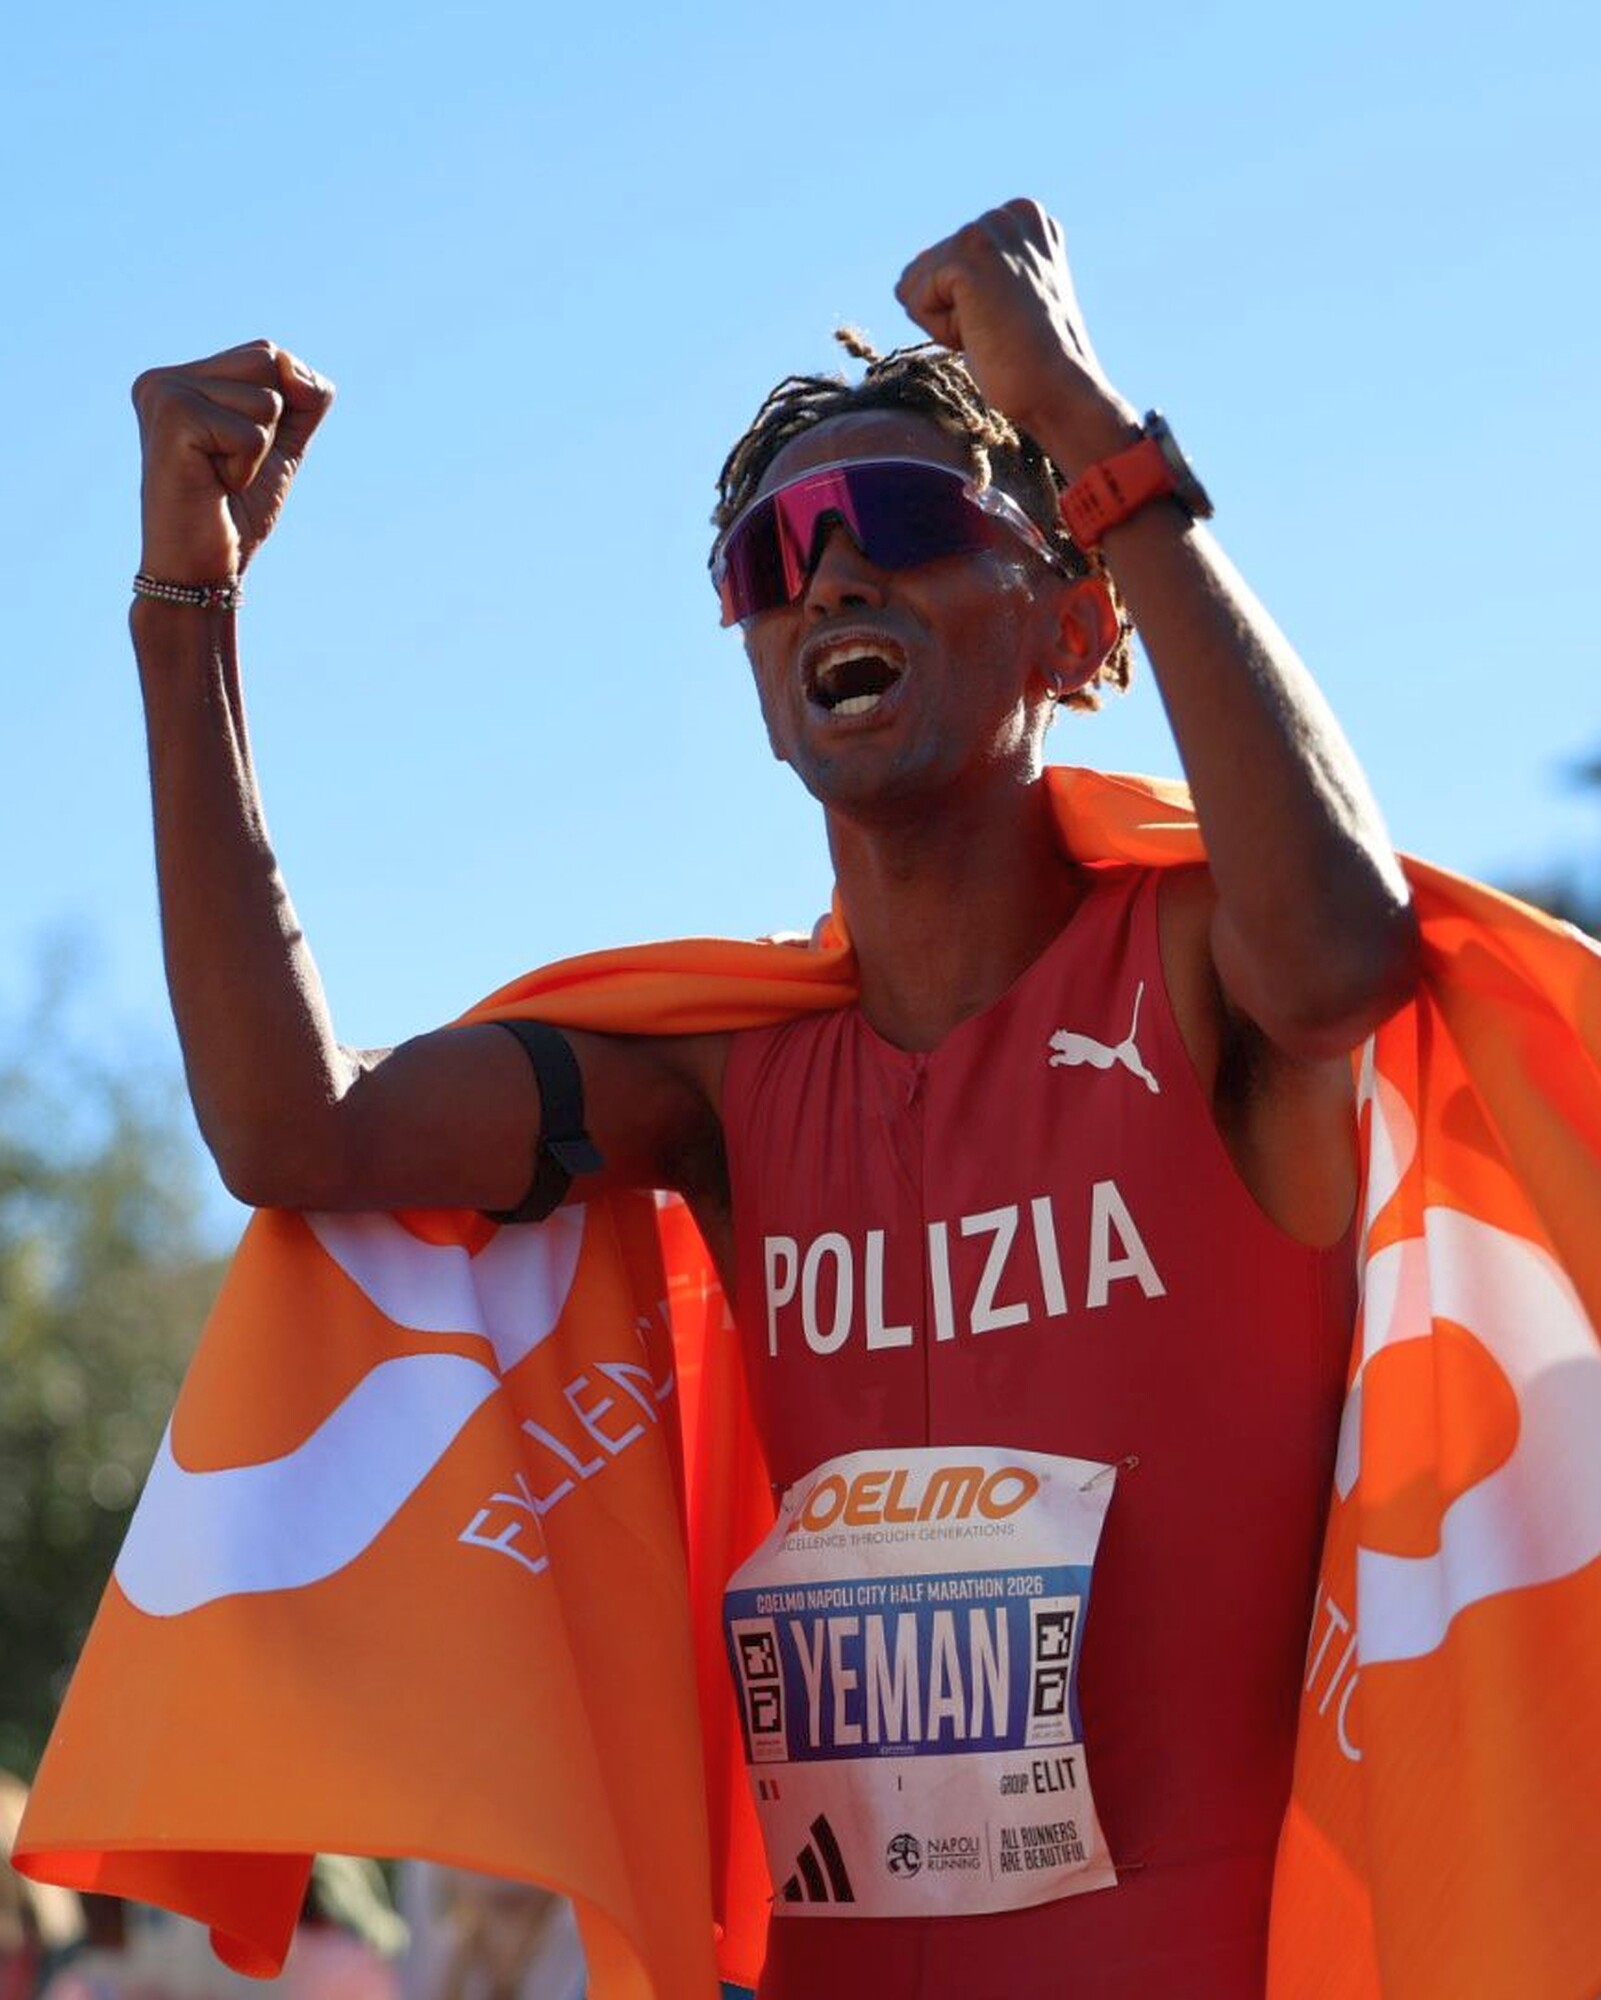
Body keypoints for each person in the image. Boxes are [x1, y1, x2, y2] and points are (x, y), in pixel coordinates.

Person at [126, 199, 1419, 1998]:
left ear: (1073, 629)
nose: (829, 579)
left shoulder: (1208, 963)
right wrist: (186, 608)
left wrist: (1077, 419)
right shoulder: (725, 1080)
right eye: (770, 557)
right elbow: (293, 1135)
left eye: (904, 523)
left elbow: (1351, 960)